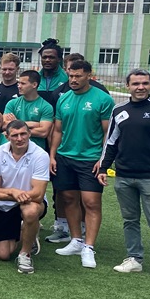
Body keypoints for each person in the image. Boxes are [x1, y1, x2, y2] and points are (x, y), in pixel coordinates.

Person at [98, 69, 150, 283]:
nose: (140, 87)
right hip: (124, 176)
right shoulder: (119, 110)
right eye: (135, 84)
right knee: (130, 220)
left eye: (144, 83)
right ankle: (134, 259)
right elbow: (111, 142)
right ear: (128, 86)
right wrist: (103, 168)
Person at [50, 59, 114, 269]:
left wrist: (103, 160)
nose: (73, 80)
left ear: (89, 75)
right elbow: (57, 130)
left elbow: (108, 133)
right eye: (71, 75)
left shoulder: (103, 99)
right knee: (68, 199)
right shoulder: (64, 99)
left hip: (90, 159)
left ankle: (89, 247)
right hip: (65, 157)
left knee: (91, 202)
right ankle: (76, 240)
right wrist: (52, 156)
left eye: (78, 76)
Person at [0, 120, 50, 274]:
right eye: (15, 135)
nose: (20, 139)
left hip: (29, 202)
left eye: (23, 134)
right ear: (7, 137)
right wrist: (13, 192)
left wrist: (4, 194)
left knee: (30, 211)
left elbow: (38, 194)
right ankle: (28, 231)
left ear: (29, 134)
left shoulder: (41, 155)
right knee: (2, 254)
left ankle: (25, 254)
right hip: (4, 205)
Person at [4, 70, 54, 151]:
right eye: (18, 83)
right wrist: (35, 124)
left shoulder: (46, 107)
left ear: (34, 85)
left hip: (36, 151)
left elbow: (44, 132)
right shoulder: (12, 103)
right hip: (14, 150)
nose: (19, 86)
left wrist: (16, 123)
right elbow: (5, 125)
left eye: (23, 83)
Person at [36, 38, 67, 108]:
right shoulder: (35, 78)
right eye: (44, 57)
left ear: (59, 59)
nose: (47, 60)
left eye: (51, 57)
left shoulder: (67, 78)